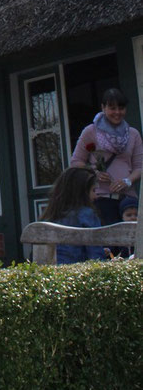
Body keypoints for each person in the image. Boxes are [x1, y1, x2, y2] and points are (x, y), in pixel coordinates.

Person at [70, 88, 143, 226]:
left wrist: (127, 181)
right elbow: (75, 162)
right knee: (108, 244)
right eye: (112, 108)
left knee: (132, 244)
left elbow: (139, 167)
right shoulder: (90, 131)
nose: (117, 112)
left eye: (121, 108)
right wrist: (94, 172)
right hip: (101, 199)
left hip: (128, 202)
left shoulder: (133, 134)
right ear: (103, 108)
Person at [40, 167, 108, 264]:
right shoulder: (87, 214)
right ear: (81, 192)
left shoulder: (49, 216)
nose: (96, 196)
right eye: (93, 190)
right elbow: (96, 257)